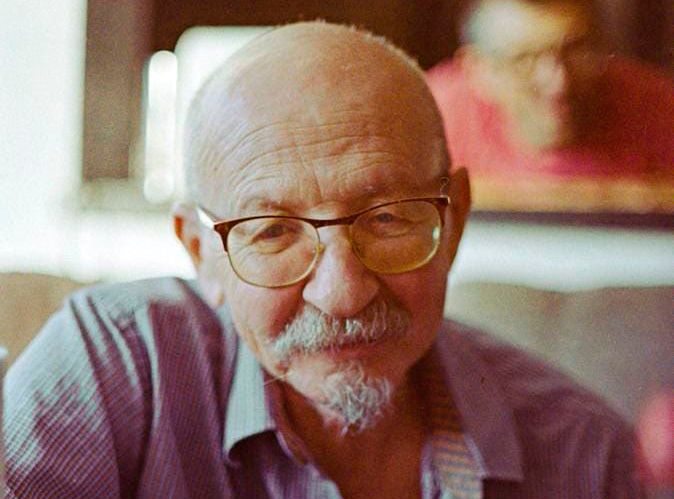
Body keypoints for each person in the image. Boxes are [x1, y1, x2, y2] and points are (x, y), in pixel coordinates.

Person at [4, 21, 644, 498]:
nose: (343, 293)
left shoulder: (582, 452)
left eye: (387, 218)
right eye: (273, 233)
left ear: (453, 220)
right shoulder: (113, 365)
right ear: (203, 253)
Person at [426, 0, 674, 211]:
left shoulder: (659, 106)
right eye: (524, 60)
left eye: (574, 50)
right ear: (478, 70)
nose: (558, 83)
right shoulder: (428, 113)